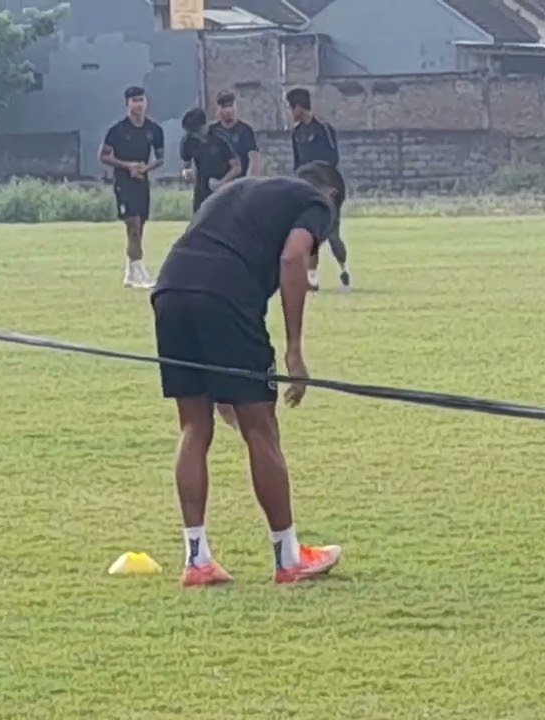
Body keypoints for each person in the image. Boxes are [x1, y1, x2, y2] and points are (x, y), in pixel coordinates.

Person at [149, 161, 347, 587]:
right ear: (332, 198)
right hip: (225, 297)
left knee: (193, 426)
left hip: (170, 291)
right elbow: (293, 257)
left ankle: (197, 560)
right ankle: (288, 559)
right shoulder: (317, 201)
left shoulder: (242, 190)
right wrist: (294, 351)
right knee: (262, 430)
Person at [287, 87, 352, 291]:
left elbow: (333, 159)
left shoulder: (324, 129)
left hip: (327, 186)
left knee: (332, 234)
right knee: (309, 232)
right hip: (306, 187)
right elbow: (297, 165)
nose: (290, 112)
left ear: (299, 107)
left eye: (290, 107)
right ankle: (311, 278)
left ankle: (343, 268)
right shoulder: (296, 133)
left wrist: (326, 185)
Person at [100, 86, 164, 289]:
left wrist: (146, 168)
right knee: (133, 226)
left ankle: (130, 273)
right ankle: (142, 274)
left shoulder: (154, 130)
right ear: (127, 104)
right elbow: (104, 155)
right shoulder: (117, 131)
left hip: (142, 183)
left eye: (141, 100)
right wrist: (128, 166)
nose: (139, 105)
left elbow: (161, 158)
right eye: (134, 101)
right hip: (124, 183)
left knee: (140, 227)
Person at [178, 107, 241, 214]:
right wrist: (186, 173)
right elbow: (186, 165)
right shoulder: (187, 141)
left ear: (204, 125)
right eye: (192, 132)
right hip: (202, 189)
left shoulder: (221, 138)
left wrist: (220, 183)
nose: (195, 135)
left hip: (223, 188)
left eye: (197, 131)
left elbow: (237, 167)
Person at [211, 90, 262, 177]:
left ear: (236, 106)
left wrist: (250, 182)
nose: (228, 110)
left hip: (241, 184)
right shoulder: (212, 131)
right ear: (218, 109)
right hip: (218, 185)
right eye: (223, 107)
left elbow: (254, 159)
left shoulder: (246, 131)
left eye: (230, 106)